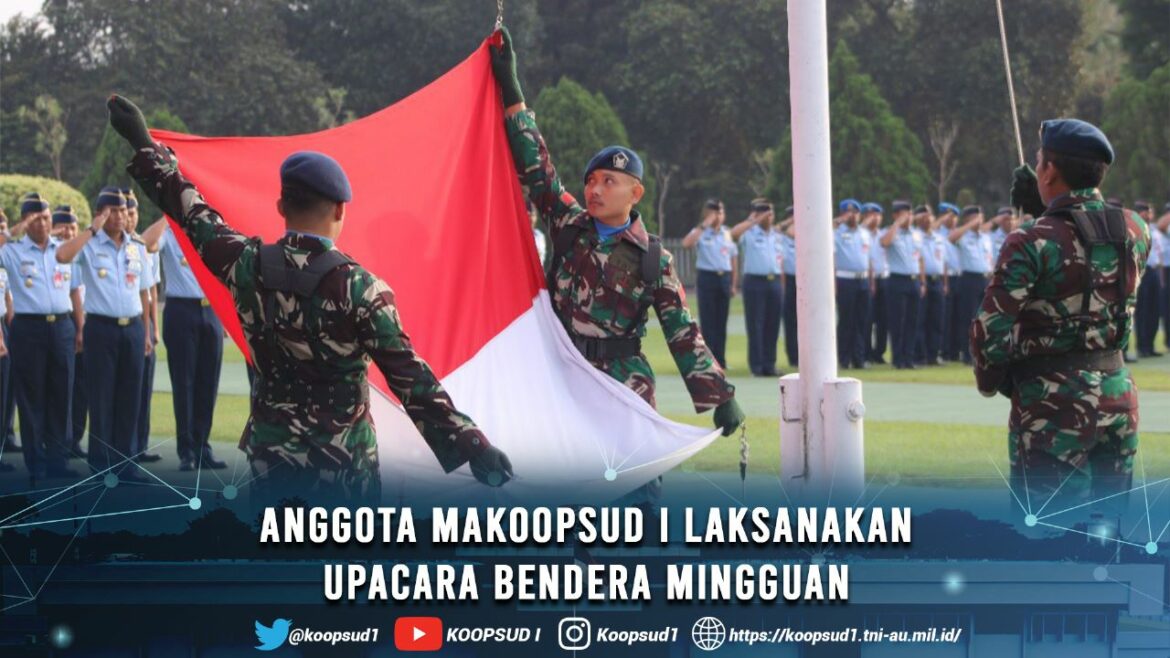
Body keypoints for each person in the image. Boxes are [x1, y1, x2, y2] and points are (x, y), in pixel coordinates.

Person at [106, 94, 512, 501]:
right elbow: (411, 379)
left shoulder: (246, 265)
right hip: (344, 468)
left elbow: (193, 214)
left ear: (281, 205)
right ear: (340, 210)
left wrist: (143, 143)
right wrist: (473, 445)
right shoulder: (361, 288)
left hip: (272, 462)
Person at [489, 27, 743, 509]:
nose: (595, 189)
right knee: (564, 483)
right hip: (564, 371)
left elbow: (681, 330)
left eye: (609, 181)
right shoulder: (568, 224)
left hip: (623, 380)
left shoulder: (652, 258)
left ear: (635, 193)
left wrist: (720, 394)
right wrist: (512, 89)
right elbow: (537, 168)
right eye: (591, 180)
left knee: (637, 485)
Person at [972, 118, 1150, 506]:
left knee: (1049, 528)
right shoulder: (1136, 229)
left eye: (1040, 162)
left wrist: (995, 382)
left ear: (1049, 171)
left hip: (1051, 404)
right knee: (1109, 526)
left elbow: (990, 327)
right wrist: (1049, 208)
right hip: (1118, 394)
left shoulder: (1028, 240)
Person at [56, 187, 153, 482]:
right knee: (101, 399)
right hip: (101, 329)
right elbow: (62, 255)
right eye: (114, 211)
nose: (121, 216)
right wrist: (91, 229)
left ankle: (126, 466)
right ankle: (101, 467)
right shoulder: (89, 245)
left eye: (123, 210)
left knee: (130, 399)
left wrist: (146, 333)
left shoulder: (136, 247)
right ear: (101, 214)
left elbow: (145, 292)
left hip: (133, 328)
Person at [0, 193, 84, 480]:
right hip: (29, 328)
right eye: (36, 219)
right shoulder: (13, 251)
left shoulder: (63, 250)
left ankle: (58, 461)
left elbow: (74, 291)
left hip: (61, 325)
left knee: (61, 395)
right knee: (32, 397)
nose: (43, 223)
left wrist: (80, 327)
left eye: (46, 218)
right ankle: (35, 461)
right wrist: (15, 230)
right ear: (25, 221)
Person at [140, 216, 227, 472]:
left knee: (208, 384)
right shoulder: (170, 234)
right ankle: (187, 450)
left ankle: (203, 448)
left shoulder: (210, 233)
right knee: (184, 383)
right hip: (181, 310)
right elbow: (146, 243)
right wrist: (168, 216)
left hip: (211, 309)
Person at [122, 188, 165, 463]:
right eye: (126, 212)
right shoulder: (130, 246)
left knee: (144, 390)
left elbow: (151, 291)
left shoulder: (144, 247)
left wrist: (154, 329)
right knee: (126, 392)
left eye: (133, 212)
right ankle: (124, 448)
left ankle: (140, 445)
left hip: (144, 327)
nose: (130, 217)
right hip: (126, 326)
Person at [49, 205, 89, 459]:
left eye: (72, 228)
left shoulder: (84, 253)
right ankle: (56, 439)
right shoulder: (51, 253)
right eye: (62, 228)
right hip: (61, 323)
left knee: (81, 387)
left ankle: (74, 438)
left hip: (83, 323)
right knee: (59, 386)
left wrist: (82, 328)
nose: (68, 232)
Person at [681, 199, 737, 368]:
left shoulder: (727, 233)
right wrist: (705, 223)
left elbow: (733, 258)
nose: (718, 216)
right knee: (708, 320)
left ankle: (721, 359)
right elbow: (686, 243)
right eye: (714, 212)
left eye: (721, 212)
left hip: (724, 277)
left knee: (721, 321)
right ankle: (709, 360)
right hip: (707, 277)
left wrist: (733, 283)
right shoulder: (700, 231)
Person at [731, 198, 783, 376]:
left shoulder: (777, 235)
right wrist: (753, 220)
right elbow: (733, 234)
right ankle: (757, 366)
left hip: (774, 281)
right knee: (756, 324)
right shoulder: (749, 233)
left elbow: (781, 261)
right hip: (755, 282)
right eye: (764, 213)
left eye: (770, 213)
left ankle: (770, 364)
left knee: (773, 325)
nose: (768, 216)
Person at [879, 201, 924, 369]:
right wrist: (897, 223)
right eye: (905, 214)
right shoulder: (890, 231)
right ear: (895, 215)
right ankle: (897, 358)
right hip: (897, 280)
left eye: (910, 214)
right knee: (898, 321)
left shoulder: (916, 234)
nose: (908, 218)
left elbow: (920, 259)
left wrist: (922, 281)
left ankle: (909, 357)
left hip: (914, 280)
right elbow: (884, 243)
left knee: (913, 320)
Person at [948, 205, 992, 364]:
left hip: (985, 279)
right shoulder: (963, 236)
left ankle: (982, 352)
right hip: (969, 279)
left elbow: (990, 260)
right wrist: (969, 225)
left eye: (981, 217)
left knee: (984, 318)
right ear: (967, 219)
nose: (979, 220)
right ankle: (968, 354)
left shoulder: (986, 238)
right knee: (969, 318)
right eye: (975, 218)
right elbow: (951, 238)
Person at [833, 199, 871, 369]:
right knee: (846, 320)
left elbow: (868, 259)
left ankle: (859, 358)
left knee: (862, 321)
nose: (853, 216)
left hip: (863, 279)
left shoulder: (864, 233)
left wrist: (870, 281)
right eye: (848, 212)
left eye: (855, 212)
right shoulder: (836, 233)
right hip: (845, 279)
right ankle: (844, 358)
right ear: (842, 214)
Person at [914, 205, 947, 366]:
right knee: (920, 319)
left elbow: (944, 262)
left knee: (936, 319)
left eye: (929, 216)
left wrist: (945, 283)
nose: (927, 219)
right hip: (922, 280)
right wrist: (922, 282)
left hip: (937, 280)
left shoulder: (938, 237)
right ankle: (921, 355)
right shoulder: (915, 236)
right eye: (923, 216)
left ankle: (934, 354)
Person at [1133, 201, 1163, 357]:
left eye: (1149, 212)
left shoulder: (1154, 230)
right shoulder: (1136, 229)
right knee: (1143, 310)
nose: (1148, 215)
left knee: (1154, 310)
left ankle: (1150, 345)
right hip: (1142, 271)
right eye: (1145, 212)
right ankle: (1142, 346)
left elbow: (1159, 254)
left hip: (1154, 271)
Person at [862, 203, 887, 366]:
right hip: (867, 279)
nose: (875, 218)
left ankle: (879, 353)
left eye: (877, 215)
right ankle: (865, 352)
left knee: (883, 319)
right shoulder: (860, 234)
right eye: (870, 215)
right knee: (867, 318)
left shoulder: (884, 234)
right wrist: (864, 225)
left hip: (883, 278)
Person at [777, 206, 798, 368]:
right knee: (790, 321)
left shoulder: (807, 237)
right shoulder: (781, 238)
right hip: (789, 280)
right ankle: (793, 356)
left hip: (805, 280)